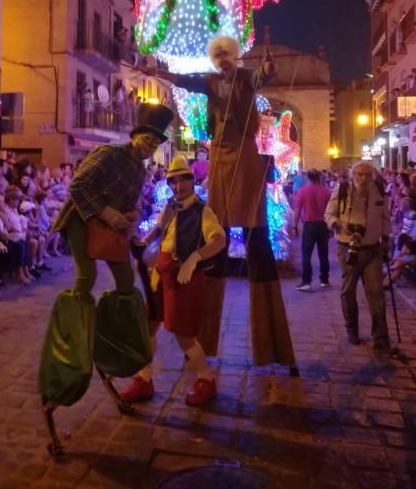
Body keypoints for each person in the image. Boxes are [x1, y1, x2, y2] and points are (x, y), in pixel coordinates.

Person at [143, 36, 296, 368]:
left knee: (258, 241)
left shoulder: (245, 77)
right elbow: (189, 81)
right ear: (215, 60)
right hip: (221, 160)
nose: (224, 61)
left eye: (228, 55)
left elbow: (262, 76)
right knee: (216, 237)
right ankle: (203, 341)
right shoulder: (211, 82)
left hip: (247, 159)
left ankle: (270, 345)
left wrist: (268, 66)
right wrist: (160, 72)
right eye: (219, 56)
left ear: (235, 57)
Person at [39, 103, 174, 415]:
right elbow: (78, 185)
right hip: (81, 219)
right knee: (85, 277)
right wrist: (107, 212)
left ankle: (112, 337)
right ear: (136, 136)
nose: (150, 147)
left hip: (111, 228)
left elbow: (133, 203)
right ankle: (76, 334)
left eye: (155, 144)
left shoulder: (140, 170)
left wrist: (133, 214)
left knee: (126, 281)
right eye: (147, 140)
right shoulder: (108, 153)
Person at [120, 156, 226, 406]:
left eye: (183, 181)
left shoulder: (202, 210)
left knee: (184, 336)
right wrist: (144, 242)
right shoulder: (171, 205)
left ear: (191, 180)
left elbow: (219, 240)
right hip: (160, 275)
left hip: (183, 278)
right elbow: (159, 227)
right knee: (148, 327)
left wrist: (194, 258)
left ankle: (205, 380)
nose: (178, 187)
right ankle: (144, 379)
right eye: (173, 182)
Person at [324, 161, 394, 352]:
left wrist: (386, 239)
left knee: (376, 293)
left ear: (372, 175)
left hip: (373, 248)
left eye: (367, 174)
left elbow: (385, 217)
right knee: (348, 291)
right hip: (348, 247)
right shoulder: (342, 189)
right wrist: (340, 224)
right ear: (353, 174)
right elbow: (328, 215)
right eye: (359, 174)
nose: (363, 178)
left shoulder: (378, 189)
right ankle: (352, 330)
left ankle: (380, 336)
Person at [293, 169, 331, 291]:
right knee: (323, 254)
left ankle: (306, 281)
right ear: (318, 177)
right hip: (323, 224)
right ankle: (324, 279)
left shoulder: (302, 191)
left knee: (306, 254)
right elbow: (331, 210)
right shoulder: (326, 191)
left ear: (307, 178)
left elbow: (298, 210)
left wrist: (295, 226)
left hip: (309, 225)